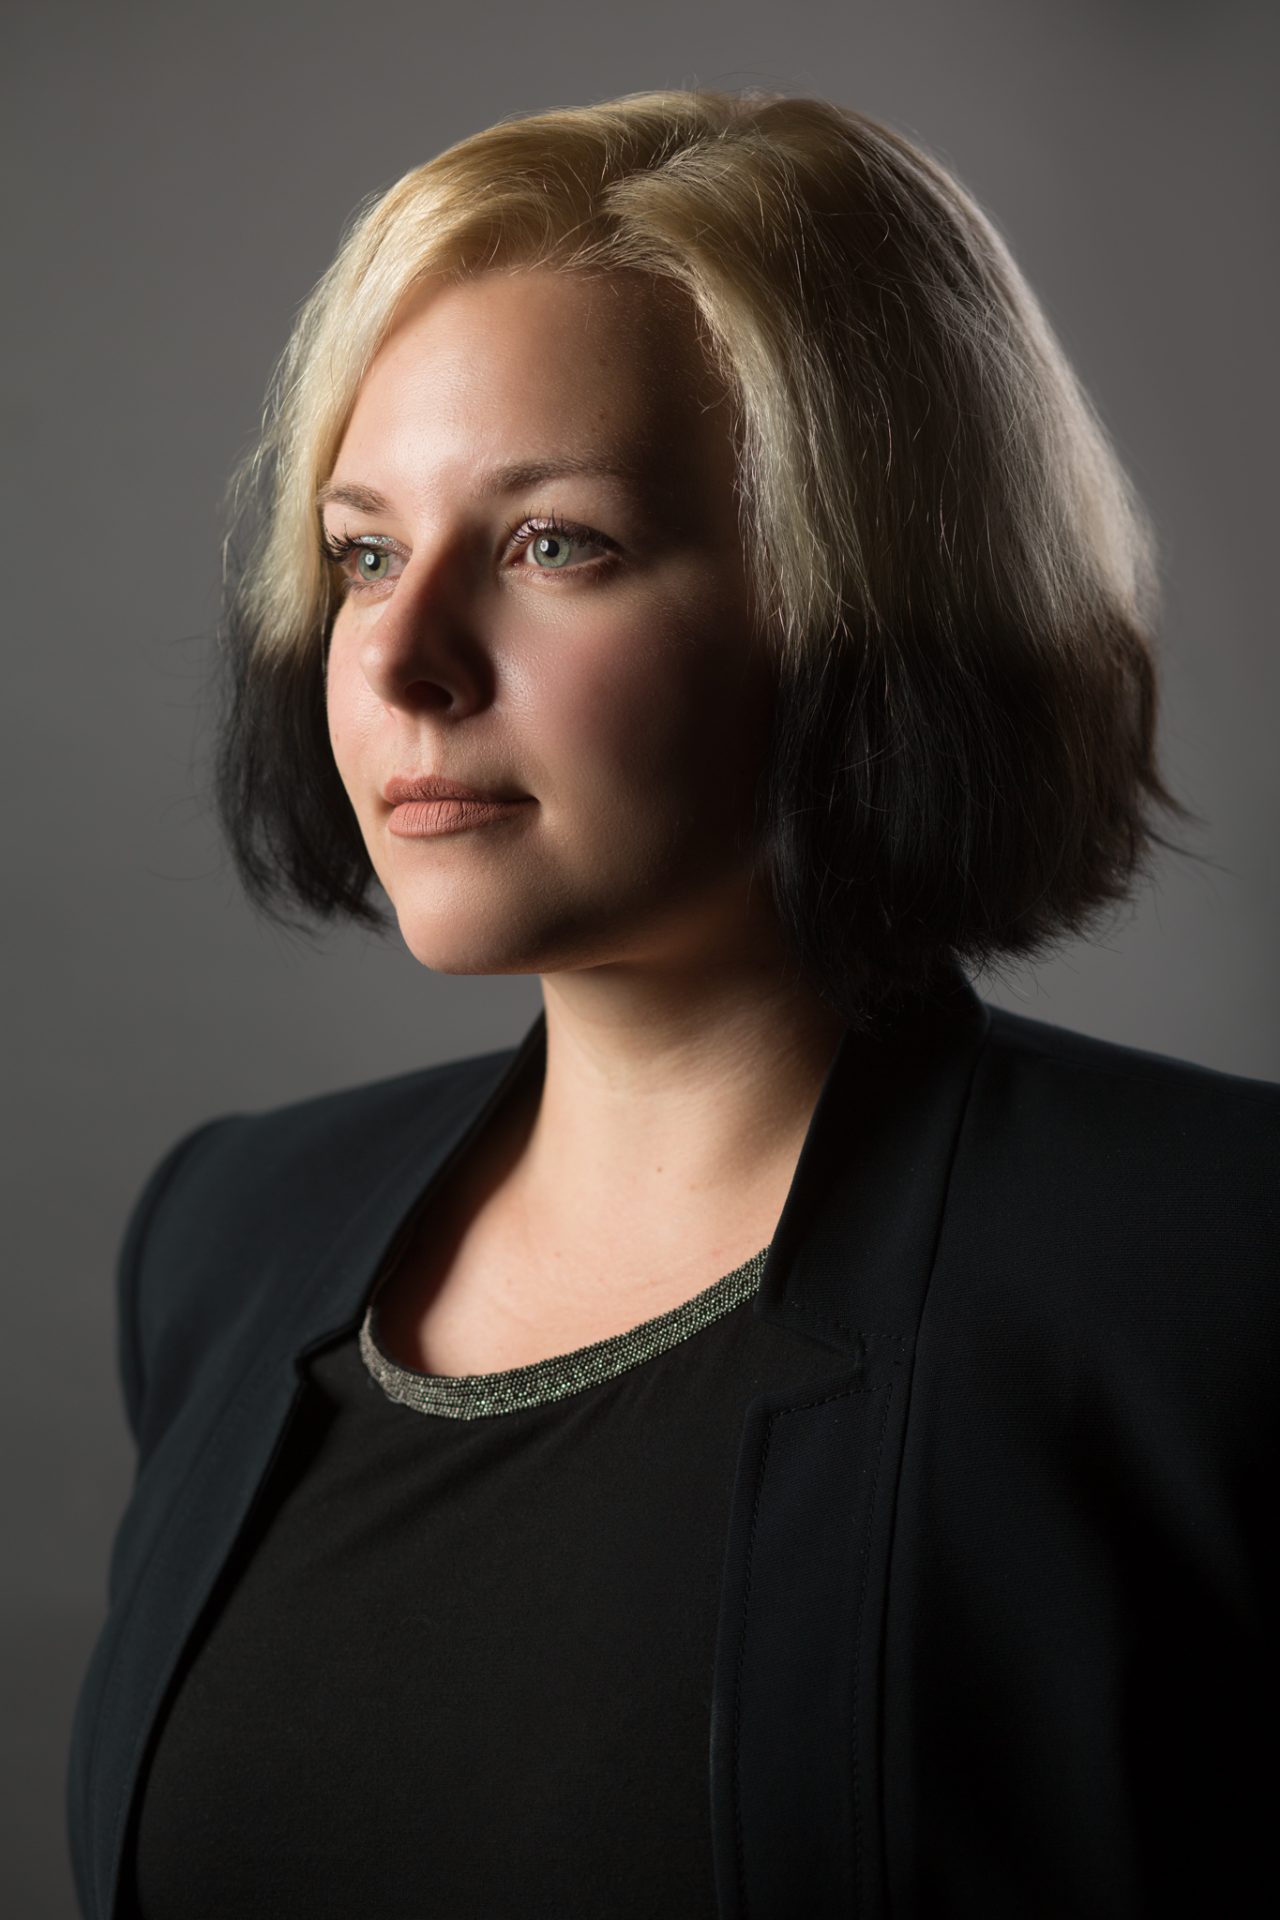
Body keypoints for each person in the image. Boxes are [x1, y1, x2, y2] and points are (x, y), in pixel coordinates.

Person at [67, 87, 1277, 1919]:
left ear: (867, 607)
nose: (396, 659)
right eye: (363, 551)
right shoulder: (224, 1241)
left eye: (557, 544)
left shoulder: (1220, 1274)